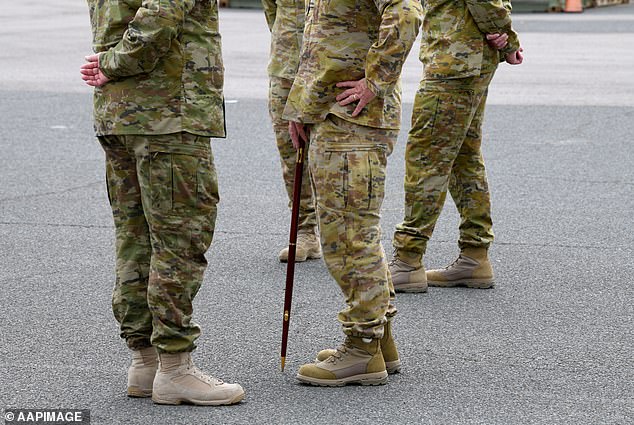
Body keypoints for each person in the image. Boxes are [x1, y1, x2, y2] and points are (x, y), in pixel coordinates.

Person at [80, 0, 244, 406]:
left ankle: (146, 361)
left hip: (120, 111)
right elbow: (161, 15)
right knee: (178, 242)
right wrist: (115, 62)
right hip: (167, 112)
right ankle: (175, 368)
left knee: (135, 238)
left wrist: (111, 66)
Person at [284, 0, 422, 386]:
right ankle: (380, 340)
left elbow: (407, 12)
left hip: (354, 121)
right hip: (334, 115)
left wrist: (376, 80)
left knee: (348, 237)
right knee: (350, 233)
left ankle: (363, 348)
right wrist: (302, 107)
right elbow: (323, 41)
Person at [389, 0, 524, 293]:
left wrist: (503, 33)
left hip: (454, 61)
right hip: (469, 57)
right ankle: (475, 256)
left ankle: (408, 261)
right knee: (464, 157)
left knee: (427, 159)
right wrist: (502, 34)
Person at [262, 0, 322, 263]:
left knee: (331, 155)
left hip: (329, 68)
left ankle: (342, 233)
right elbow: (271, 10)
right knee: (291, 154)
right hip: (285, 66)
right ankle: (305, 231)